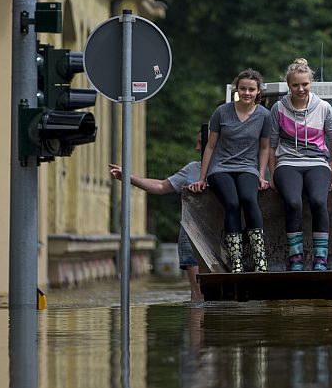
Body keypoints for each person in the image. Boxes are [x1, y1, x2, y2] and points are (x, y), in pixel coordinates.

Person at [188, 69, 271, 273]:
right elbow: (210, 146)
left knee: (248, 199)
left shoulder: (264, 115)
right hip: (221, 168)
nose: (246, 93)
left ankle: (260, 258)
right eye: (243, 88)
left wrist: (261, 175)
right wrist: (202, 177)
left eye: (251, 89)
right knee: (232, 203)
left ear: (258, 91)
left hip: (247, 167)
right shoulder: (222, 112)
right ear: (237, 89)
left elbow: (264, 148)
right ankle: (236, 261)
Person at [109, 132, 205, 301]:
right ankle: (196, 326)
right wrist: (128, 177)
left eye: (200, 143)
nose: (197, 148)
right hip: (192, 236)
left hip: (220, 236)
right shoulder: (192, 169)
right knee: (198, 292)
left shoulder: (232, 167)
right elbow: (161, 186)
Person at [268, 58, 332, 271]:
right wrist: (272, 174)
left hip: (317, 163)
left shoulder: (324, 108)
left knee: (319, 201)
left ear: (311, 83)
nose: (300, 89)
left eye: (305, 84)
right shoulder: (278, 109)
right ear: (288, 86)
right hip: (287, 163)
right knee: (293, 202)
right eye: (295, 85)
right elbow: (271, 146)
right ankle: (296, 258)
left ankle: (320, 258)